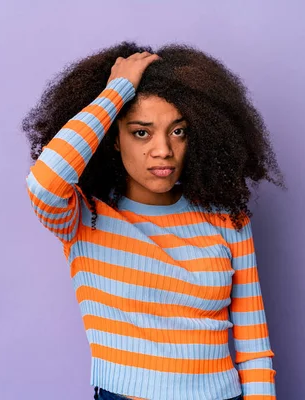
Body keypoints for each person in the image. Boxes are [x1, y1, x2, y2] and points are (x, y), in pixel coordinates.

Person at [23, 41, 284, 400]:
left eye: (178, 131)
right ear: (114, 138)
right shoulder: (84, 217)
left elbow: (254, 345)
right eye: (141, 132)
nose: (163, 149)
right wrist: (116, 92)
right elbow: (45, 180)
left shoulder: (227, 218)